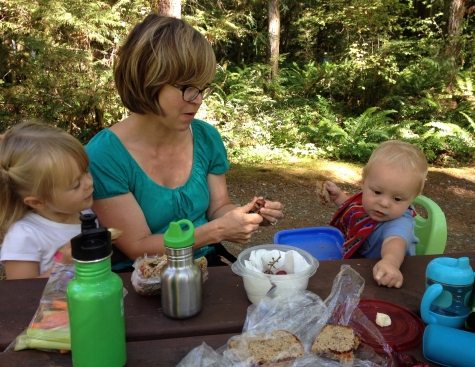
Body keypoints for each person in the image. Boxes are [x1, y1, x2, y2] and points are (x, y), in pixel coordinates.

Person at [85, 14, 284, 270]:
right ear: (149, 80)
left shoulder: (205, 138)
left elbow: (218, 208)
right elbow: (137, 247)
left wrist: (248, 216)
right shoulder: (104, 156)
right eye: (188, 87)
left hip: (204, 266)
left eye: (203, 88)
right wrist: (217, 231)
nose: (199, 100)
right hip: (140, 279)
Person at [326, 140, 428, 288]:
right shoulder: (368, 204)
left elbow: (395, 243)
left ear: (413, 197)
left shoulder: (400, 223)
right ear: (363, 182)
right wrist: (340, 198)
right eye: (378, 192)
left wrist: (390, 262)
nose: (384, 203)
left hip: (385, 280)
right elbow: (356, 212)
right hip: (361, 268)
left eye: (397, 199)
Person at [0, 121, 94, 279]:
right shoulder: (24, 236)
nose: (89, 182)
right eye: (76, 184)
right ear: (37, 202)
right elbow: (21, 294)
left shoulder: (85, 213)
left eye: (86, 172)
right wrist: (63, 263)